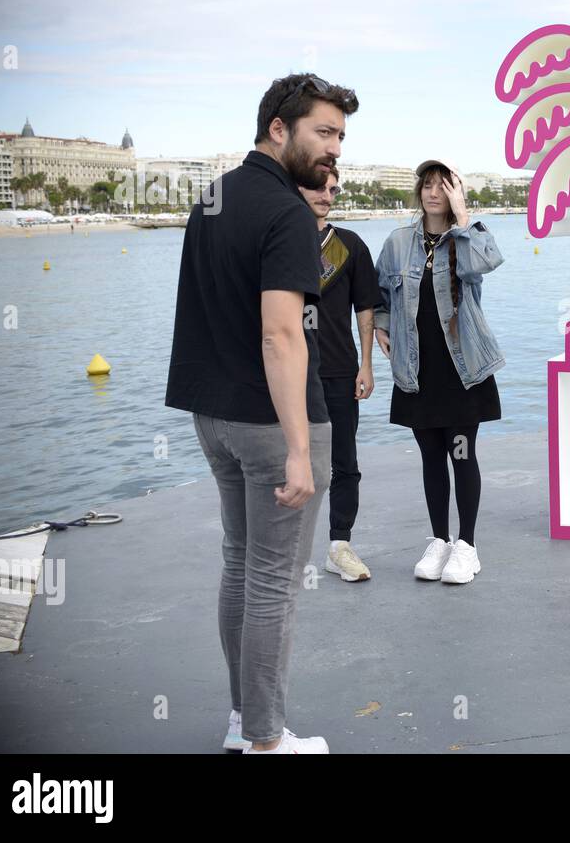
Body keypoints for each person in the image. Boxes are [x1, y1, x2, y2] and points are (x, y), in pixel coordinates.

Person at [165, 73, 359, 754]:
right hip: (272, 423)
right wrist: (301, 450)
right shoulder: (284, 213)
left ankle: (243, 720)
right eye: (324, 132)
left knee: (241, 564)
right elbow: (280, 334)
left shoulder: (214, 197)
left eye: (340, 134)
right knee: (273, 579)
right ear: (280, 127)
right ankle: (267, 739)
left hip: (212, 415)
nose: (334, 148)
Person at [373, 159, 504, 585]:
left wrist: (463, 216)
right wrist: (381, 327)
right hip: (416, 368)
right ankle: (439, 540)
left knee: (461, 453)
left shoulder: (465, 239)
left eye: (443, 186)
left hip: (463, 367)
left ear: (455, 192)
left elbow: (488, 261)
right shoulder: (397, 242)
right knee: (431, 454)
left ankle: (467, 545)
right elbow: (379, 294)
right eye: (427, 185)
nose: (433, 193)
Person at [298, 165, 379, 582]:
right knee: (285, 462)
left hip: (339, 371)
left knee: (343, 463)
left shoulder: (349, 245)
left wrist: (366, 362)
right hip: (286, 373)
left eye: (332, 189)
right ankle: (282, 551)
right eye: (317, 187)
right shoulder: (278, 241)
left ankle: (339, 546)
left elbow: (365, 307)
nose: (326, 195)